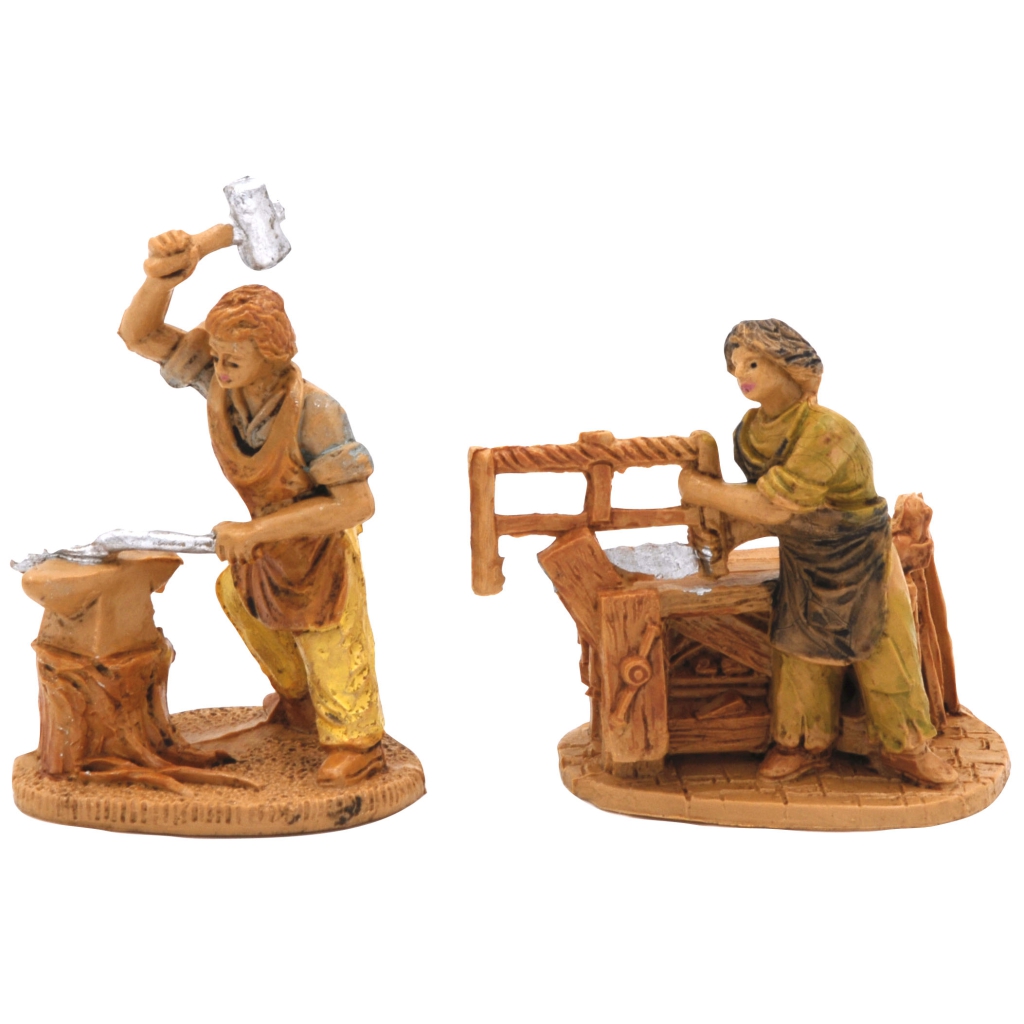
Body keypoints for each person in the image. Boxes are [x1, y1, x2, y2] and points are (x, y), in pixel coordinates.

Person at [118, 229, 385, 785]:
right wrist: (163, 277)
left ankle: (357, 743)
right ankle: (299, 704)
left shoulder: (316, 412)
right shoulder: (222, 385)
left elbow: (357, 503)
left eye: (233, 358)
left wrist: (255, 531)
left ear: (272, 353)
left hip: (321, 545)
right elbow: (138, 335)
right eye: (215, 356)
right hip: (266, 545)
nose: (219, 368)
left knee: (328, 631)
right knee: (239, 597)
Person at [678, 319, 957, 785]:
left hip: (862, 557)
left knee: (885, 653)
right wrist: (727, 526)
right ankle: (803, 745)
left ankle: (907, 747)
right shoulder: (749, 433)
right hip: (804, 558)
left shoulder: (828, 431)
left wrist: (700, 489)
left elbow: (774, 504)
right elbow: (766, 507)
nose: (740, 374)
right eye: (735, 366)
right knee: (799, 654)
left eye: (752, 363)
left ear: (791, 365)